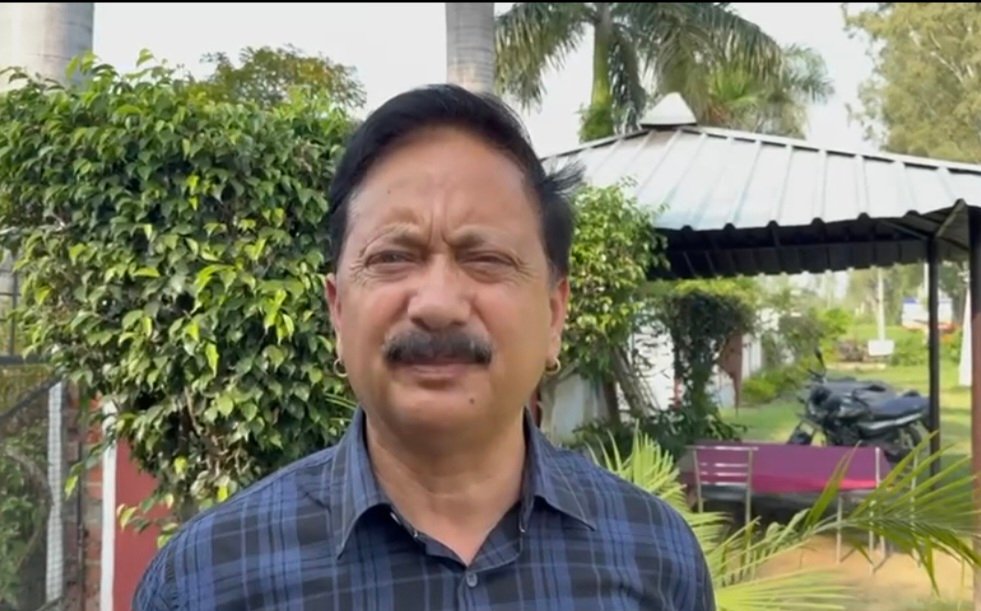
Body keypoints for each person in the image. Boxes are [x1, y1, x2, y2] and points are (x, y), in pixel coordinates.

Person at [133, 83, 715, 610]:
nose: (437, 304)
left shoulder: (655, 557)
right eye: (393, 257)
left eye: (486, 258)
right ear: (338, 311)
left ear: (554, 313)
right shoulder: (205, 581)